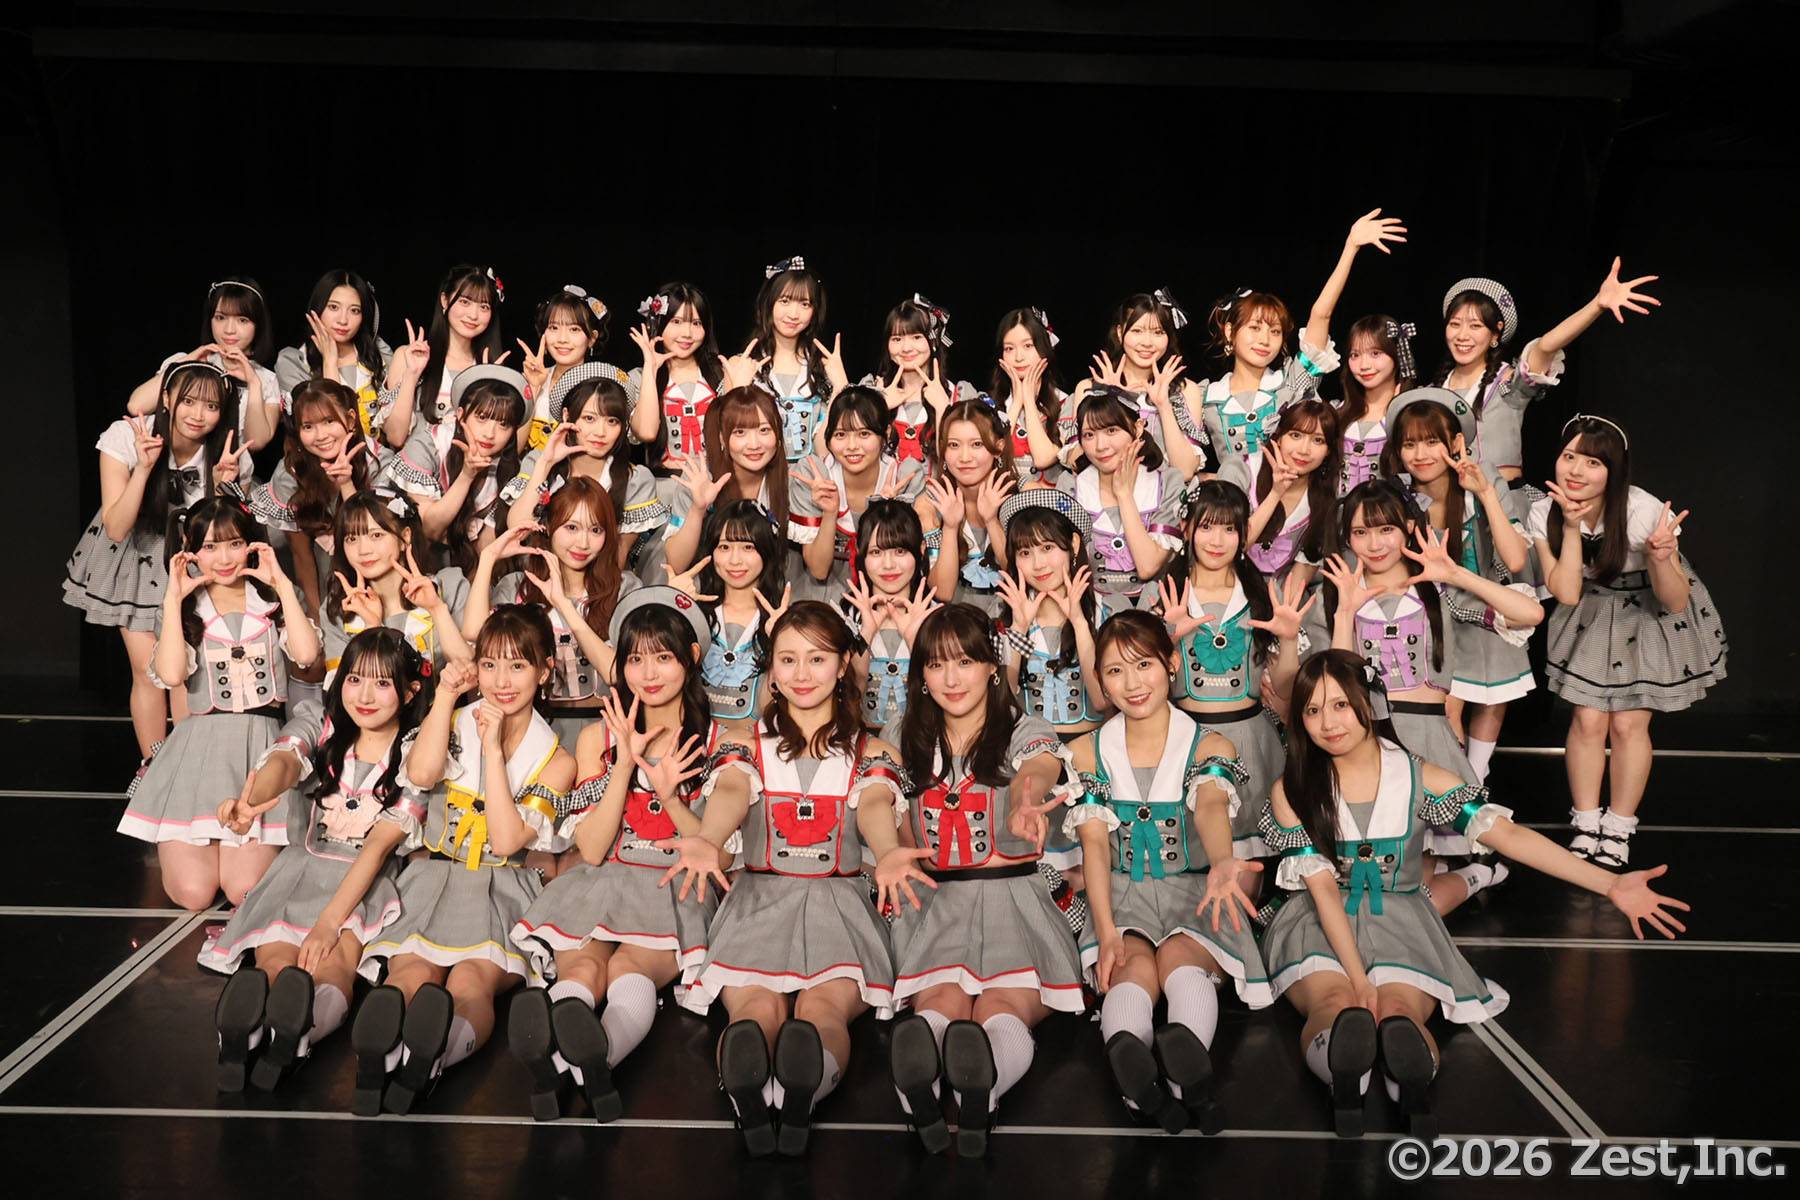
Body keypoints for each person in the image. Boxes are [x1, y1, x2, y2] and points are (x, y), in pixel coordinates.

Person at [1260, 650, 1690, 1138]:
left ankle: (1407, 1076)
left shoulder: (1419, 777)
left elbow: (1509, 836)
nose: (1327, 723)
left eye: (1340, 705)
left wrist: (1609, 883)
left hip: (1402, 921)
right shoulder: (1294, 788)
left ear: (1369, 702)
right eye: (1313, 710)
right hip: (1319, 920)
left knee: (1399, 1010)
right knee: (1336, 1002)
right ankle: (1345, 1075)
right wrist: (1359, 982)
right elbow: (1322, 892)